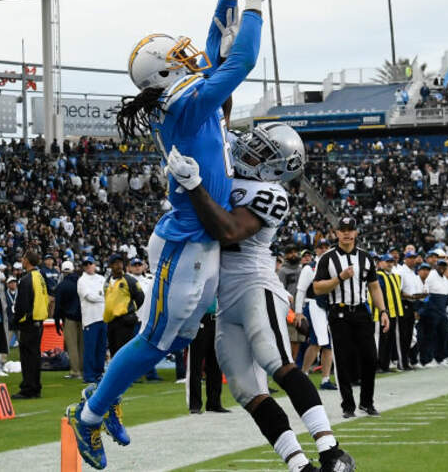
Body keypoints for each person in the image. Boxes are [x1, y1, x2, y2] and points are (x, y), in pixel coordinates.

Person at [68, 0, 267, 470]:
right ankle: (87, 416)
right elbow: (241, 58)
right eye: (177, 56)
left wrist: (224, 1)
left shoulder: (184, 98)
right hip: (185, 244)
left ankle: (102, 400)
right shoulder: (182, 105)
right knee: (156, 340)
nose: (190, 58)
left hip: (199, 242)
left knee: (175, 335)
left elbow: (212, 48)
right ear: (164, 74)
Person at [166, 127, 354, 472]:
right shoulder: (232, 167)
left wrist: (194, 187)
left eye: (260, 152)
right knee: (245, 389)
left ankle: (331, 450)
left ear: (275, 169)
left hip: (255, 286)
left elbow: (229, 230)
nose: (248, 151)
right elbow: (217, 118)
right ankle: (299, 465)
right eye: (254, 144)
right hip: (225, 299)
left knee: (276, 360)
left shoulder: (271, 194)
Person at [311, 217, 390, 419]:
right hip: (339, 313)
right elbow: (317, 287)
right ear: (336, 233)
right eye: (342, 230)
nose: (346, 233)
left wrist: (383, 311)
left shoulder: (365, 257)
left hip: (362, 312)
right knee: (343, 360)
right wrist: (339, 278)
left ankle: (367, 402)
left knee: (370, 358)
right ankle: (348, 405)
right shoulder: (327, 258)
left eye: (350, 230)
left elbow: (374, 287)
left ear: (356, 233)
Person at [11, 250, 50, 400]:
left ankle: (28, 388)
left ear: (27, 261)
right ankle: (35, 386)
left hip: (28, 322)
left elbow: (23, 303)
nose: (22, 260)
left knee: (27, 357)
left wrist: (16, 319)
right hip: (38, 321)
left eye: (23, 258)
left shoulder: (27, 279)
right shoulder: (40, 276)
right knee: (34, 356)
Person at [295, 248, 336, 388]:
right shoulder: (310, 268)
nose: (324, 250)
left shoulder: (332, 266)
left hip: (327, 307)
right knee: (317, 342)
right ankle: (303, 375)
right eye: (321, 247)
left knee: (328, 345)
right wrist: (298, 312)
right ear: (317, 250)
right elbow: (300, 290)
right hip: (313, 305)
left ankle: (325, 379)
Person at [185, 300, 225, 414]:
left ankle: (214, 403)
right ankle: (195, 405)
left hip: (216, 319)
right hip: (198, 320)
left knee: (216, 364)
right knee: (195, 364)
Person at [103, 254, 144, 358]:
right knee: (114, 351)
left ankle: (130, 374)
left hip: (124, 321)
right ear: (111, 266)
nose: (119, 265)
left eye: (120, 263)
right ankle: (118, 374)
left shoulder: (129, 280)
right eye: (116, 263)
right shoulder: (107, 282)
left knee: (124, 352)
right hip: (111, 321)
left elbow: (140, 296)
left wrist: (130, 309)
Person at [373, 254, 407, 371]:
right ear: (380, 263)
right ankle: (377, 365)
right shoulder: (377, 276)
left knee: (390, 340)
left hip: (394, 312)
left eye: (391, 261)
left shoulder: (396, 277)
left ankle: (386, 364)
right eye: (387, 261)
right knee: (379, 339)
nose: (389, 263)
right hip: (381, 313)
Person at [78, 256, 107, 384]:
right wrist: (102, 296)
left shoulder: (101, 278)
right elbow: (90, 297)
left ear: (95, 265)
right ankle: (89, 375)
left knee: (101, 348)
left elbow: (107, 293)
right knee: (90, 349)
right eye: (86, 264)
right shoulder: (82, 280)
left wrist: (100, 296)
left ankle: (98, 373)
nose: (89, 266)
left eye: (91, 264)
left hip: (103, 316)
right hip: (90, 318)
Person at [54, 260, 84, 381]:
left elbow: (58, 306)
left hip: (69, 318)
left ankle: (75, 371)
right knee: (82, 346)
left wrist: (57, 322)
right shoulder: (81, 282)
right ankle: (83, 370)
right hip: (83, 317)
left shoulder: (61, 286)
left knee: (72, 347)